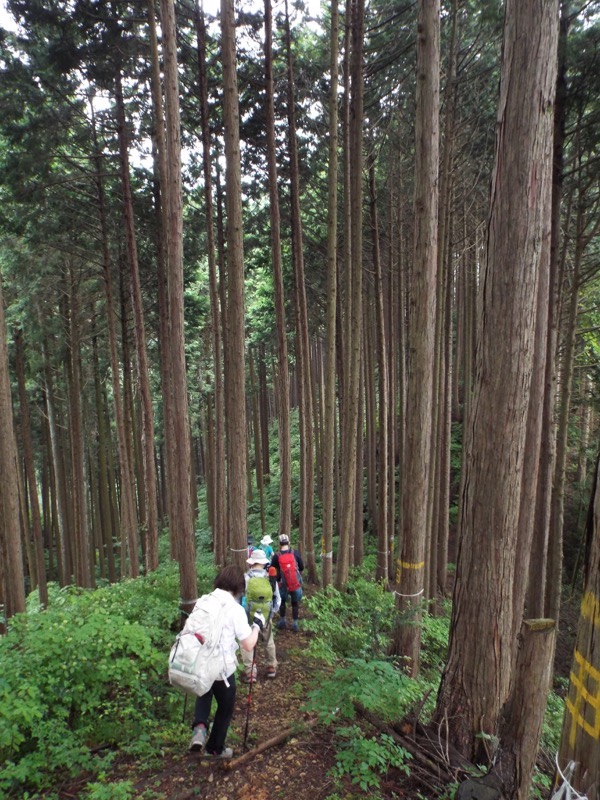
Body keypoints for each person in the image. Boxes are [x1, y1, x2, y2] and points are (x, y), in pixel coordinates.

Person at [189, 564, 264, 759]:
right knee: (225, 707)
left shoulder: (203, 601)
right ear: (238, 587)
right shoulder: (235, 609)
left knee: (203, 692)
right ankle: (215, 748)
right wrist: (256, 627)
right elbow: (248, 645)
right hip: (222, 669)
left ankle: (199, 727)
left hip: (200, 663)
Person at [241, 549, 280, 682]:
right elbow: (277, 598)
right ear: (263, 563)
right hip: (265, 614)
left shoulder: (246, 578)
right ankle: (271, 667)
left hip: (248, 615)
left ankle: (250, 672)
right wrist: (271, 612)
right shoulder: (270, 578)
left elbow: (241, 598)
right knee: (268, 640)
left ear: (252, 563)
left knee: (246, 641)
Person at [272, 534, 304, 632]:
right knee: (295, 603)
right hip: (294, 582)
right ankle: (295, 624)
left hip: (282, 583)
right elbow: (302, 567)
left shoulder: (277, 556)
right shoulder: (295, 553)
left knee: (282, 602)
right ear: (288, 542)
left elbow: (272, 569)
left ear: (279, 544)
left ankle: (282, 621)